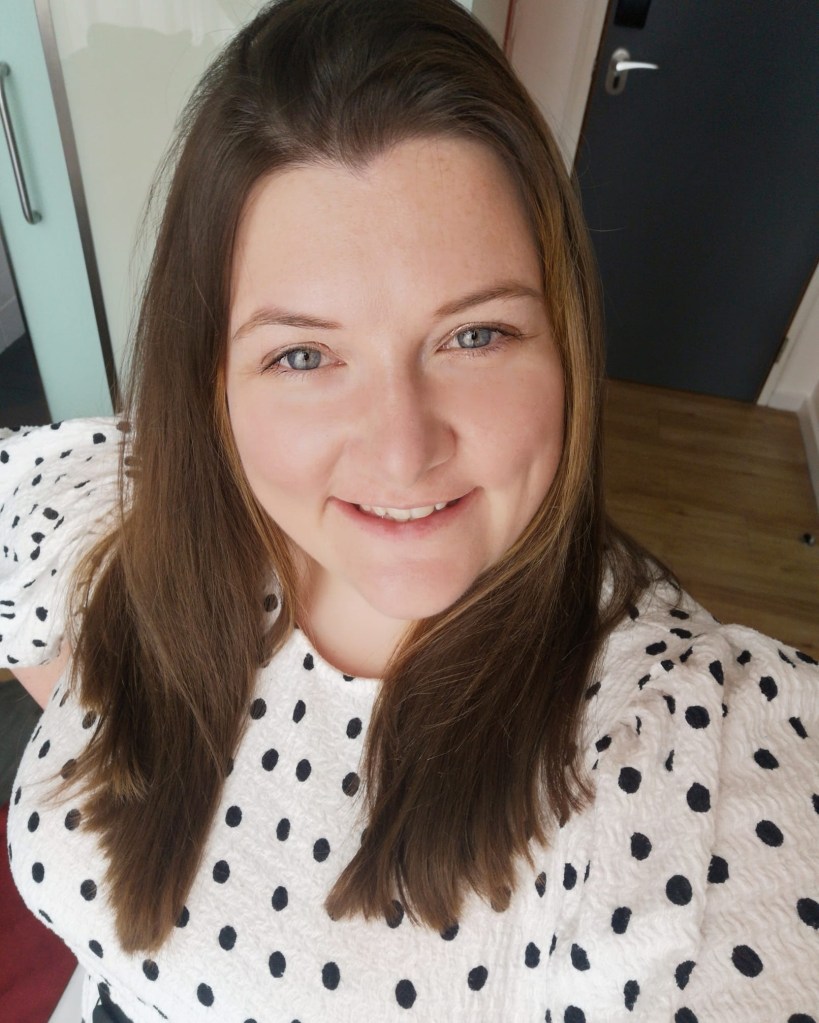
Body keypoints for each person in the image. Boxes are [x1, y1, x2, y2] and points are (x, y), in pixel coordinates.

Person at [2, 0, 817, 1019]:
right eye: (304, 355)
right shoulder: (127, 504)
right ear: (210, 383)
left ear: (565, 342)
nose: (401, 451)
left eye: (475, 336)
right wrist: (100, 671)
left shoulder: (682, 748)